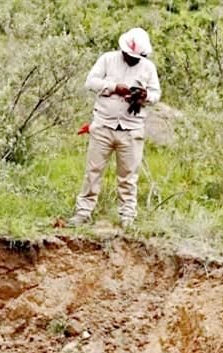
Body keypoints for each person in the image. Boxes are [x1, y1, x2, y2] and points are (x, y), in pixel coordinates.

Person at [69, 27, 161, 230]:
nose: (132, 59)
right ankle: (83, 212)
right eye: (129, 55)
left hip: (131, 129)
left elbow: (156, 94)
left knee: (129, 176)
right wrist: (114, 87)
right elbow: (90, 82)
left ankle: (127, 216)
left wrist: (144, 96)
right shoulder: (107, 59)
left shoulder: (148, 68)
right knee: (93, 171)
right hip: (103, 124)